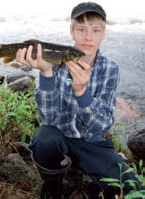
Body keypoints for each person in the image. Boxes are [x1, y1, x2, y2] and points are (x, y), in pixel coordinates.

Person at [16, 2, 142, 199]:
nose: (88, 37)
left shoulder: (110, 69)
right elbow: (48, 119)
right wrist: (46, 74)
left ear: (103, 34)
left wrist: (82, 92)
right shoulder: (55, 62)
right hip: (59, 137)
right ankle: (53, 181)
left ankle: (88, 176)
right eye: (81, 29)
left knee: (133, 186)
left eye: (95, 30)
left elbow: (102, 125)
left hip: (91, 143)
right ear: (72, 31)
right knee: (44, 139)